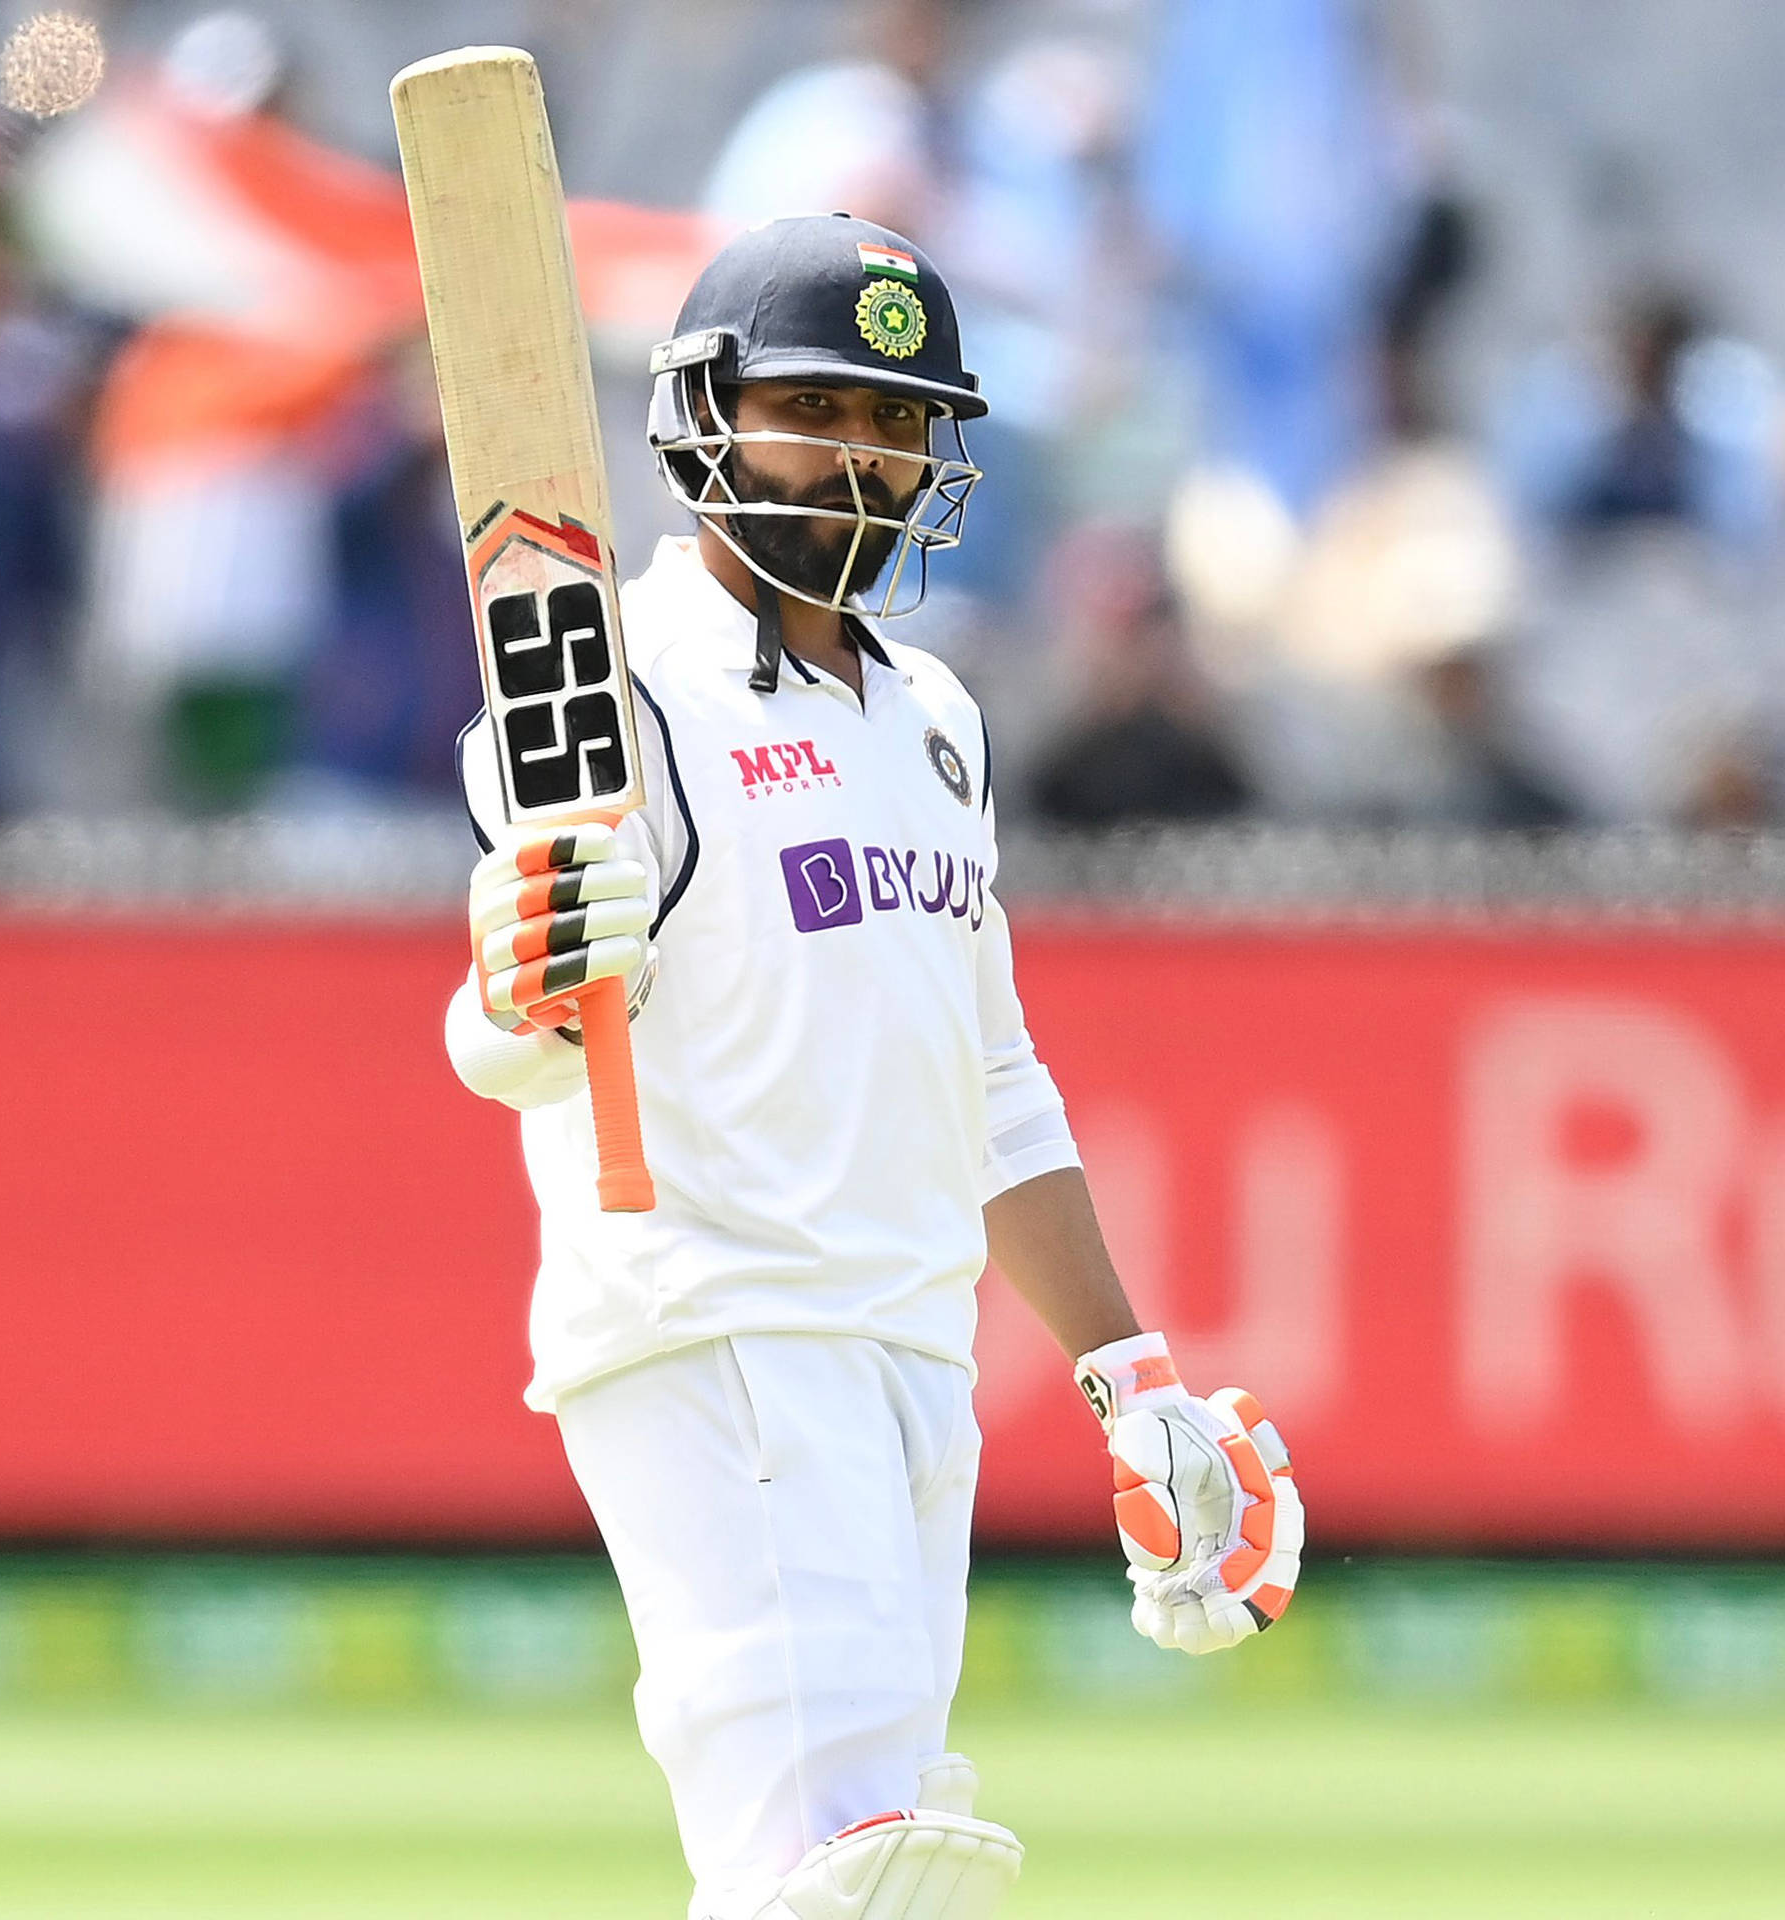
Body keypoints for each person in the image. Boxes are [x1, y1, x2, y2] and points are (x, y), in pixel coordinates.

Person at [443, 214, 1304, 1920]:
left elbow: (993, 1076)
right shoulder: (621, 684)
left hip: (915, 1353)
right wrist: (515, 981)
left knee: (890, 1865)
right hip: (719, 1328)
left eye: (906, 424)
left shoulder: (935, 714)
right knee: (831, 1881)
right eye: (823, 409)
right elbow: (513, 1032)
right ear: (705, 409)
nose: (869, 459)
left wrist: (1129, 1373)